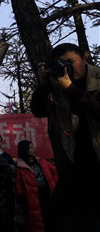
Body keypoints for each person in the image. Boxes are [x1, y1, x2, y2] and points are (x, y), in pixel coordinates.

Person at [31, 43, 100, 231]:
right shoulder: (58, 83)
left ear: (85, 59)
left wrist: (71, 89)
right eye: (62, 63)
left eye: (71, 61)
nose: (68, 67)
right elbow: (37, 111)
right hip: (77, 163)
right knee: (59, 216)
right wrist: (44, 85)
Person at [14, 140, 57, 232]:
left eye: (33, 147)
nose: (33, 149)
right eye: (30, 147)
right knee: (37, 224)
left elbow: (55, 171)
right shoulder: (21, 167)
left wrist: (55, 185)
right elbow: (18, 184)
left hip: (48, 197)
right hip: (33, 201)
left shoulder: (42, 162)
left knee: (51, 220)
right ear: (25, 150)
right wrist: (21, 196)